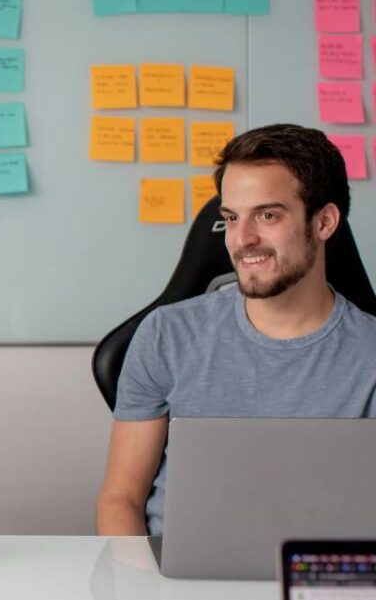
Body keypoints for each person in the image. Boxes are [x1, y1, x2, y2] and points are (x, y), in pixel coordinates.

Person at [96, 124, 376, 537]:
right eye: (231, 217)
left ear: (324, 222)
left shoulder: (369, 353)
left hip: (324, 584)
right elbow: (122, 499)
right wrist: (141, 592)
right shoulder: (166, 335)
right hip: (178, 584)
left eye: (267, 215)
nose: (242, 239)